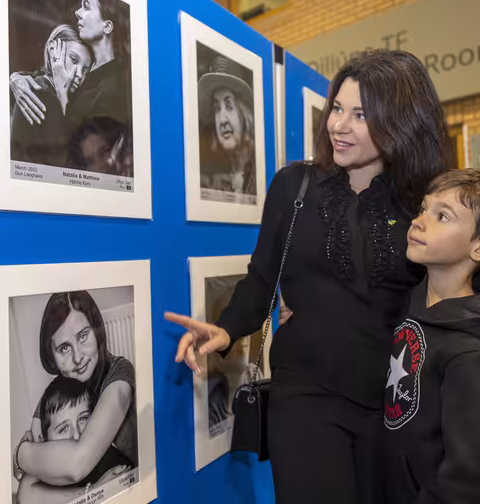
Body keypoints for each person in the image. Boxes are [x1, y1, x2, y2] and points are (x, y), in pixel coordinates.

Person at [166, 49, 456, 504]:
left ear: (401, 121)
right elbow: (262, 279)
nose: (338, 125)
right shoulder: (293, 185)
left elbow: (454, 290)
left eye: (360, 115)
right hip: (305, 391)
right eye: (337, 108)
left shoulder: (425, 203)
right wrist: (225, 328)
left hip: (396, 401)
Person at [382, 168, 480, 503]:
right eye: (423, 209)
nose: (418, 221)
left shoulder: (475, 358)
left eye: (442, 216)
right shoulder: (412, 302)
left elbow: (473, 477)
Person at [14, 291, 137, 487]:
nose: (78, 357)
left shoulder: (120, 373)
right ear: (51, 355)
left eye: (82, 336)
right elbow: (29, 491)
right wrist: (90, 493)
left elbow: (75, 464)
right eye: (64, 348)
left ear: (96, 331)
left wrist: (20, 454)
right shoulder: (56, 392)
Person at [10, 0, 132, 173]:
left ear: (107, 26)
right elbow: (47, 75)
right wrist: (17, 78)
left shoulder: (113, 91)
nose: (77, 12)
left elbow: (82, 158)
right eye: (74, 61)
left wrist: (61, 92)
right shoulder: (88, 68)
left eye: (86, 7)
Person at [16, 376, 132, 504]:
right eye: (64, 428)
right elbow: (25, 496)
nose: (76, 435)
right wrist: (94, 491)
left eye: (83, 419)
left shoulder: (115, 464)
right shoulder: (46, 470)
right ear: (44, 441)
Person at [10, 25, 92, 167]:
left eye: (85, 69)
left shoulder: (70, 102)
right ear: (53, 50)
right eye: (73, 60)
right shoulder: (42, 95)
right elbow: (62, 164)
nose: (79, 74)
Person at [198, 55, 256, 198]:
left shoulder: (259, 171)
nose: (222, 120)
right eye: (217, 109)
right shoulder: (214, 171)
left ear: (244, 112)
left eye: (229, 106)